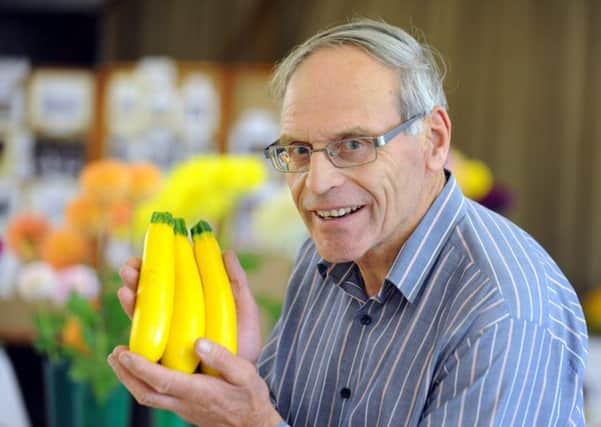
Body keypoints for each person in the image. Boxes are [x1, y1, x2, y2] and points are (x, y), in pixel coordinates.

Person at [108, 18, 588, 426]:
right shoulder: (322, 254)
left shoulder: (503, 314)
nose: (317, 182)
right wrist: (242, 374)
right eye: (299, 149)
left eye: (354, 145)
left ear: (434, 140)